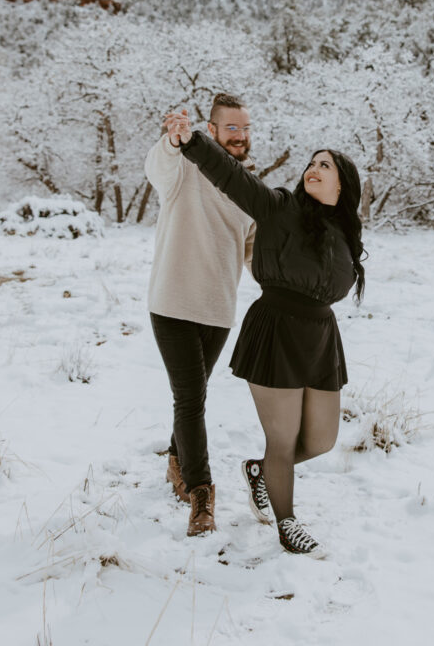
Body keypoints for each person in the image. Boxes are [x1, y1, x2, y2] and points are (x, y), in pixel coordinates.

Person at [165, 109, 365, 558]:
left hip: (320, 337)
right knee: (282, 438)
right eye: (311, 163)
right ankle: (287, 520)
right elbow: (231, 176)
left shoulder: (346, 232)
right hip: (275, 328)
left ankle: (263, 472)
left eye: (325, 165)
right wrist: (191, 141)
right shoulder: (278, 208)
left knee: (320, 440)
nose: (313, 169)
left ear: (342, 185)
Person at [146, 93, 255, 537]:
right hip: (172, 303)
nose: (240, 136)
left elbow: (256, 254)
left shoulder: (248, 188)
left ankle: (177, 458)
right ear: (210, 131)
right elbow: (158, 168)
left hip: (218, 310)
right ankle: (201, 492)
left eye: (245, 129)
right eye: (231, 128)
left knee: (194, 393)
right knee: (191, 399)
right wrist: (173, 142)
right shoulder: (184, 170)